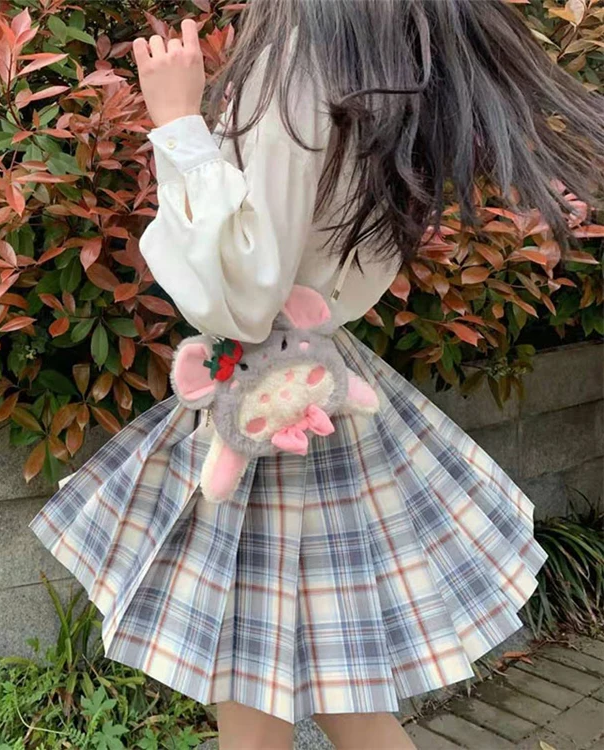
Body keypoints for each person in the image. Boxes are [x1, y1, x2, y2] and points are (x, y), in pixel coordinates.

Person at [30, 2, 604, 748]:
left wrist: (178, 126)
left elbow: (245, 295)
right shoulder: (384, 51)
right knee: (323, 694)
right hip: (317, 383)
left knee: (274, 689)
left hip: (271, 410)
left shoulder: (304, 52)